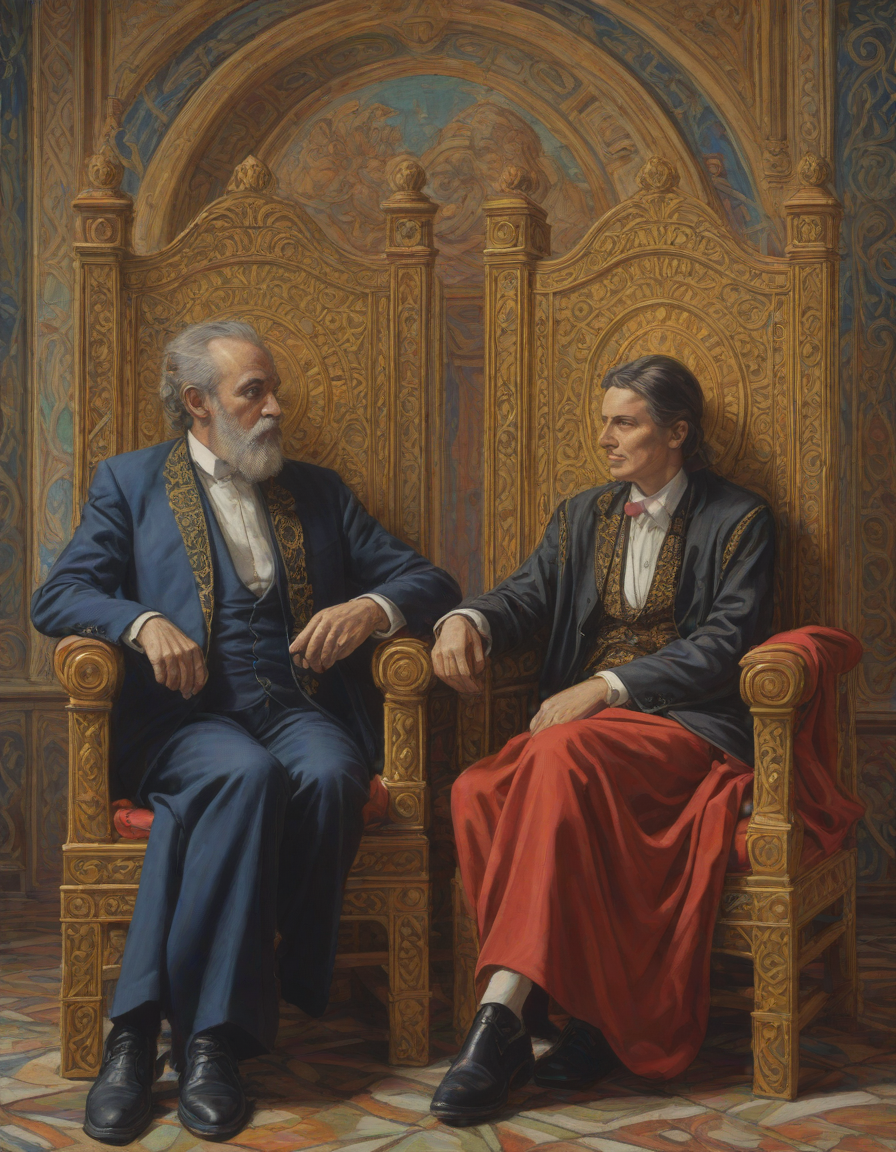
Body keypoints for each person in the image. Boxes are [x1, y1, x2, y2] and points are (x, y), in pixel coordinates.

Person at [31, 320, 461, 1144]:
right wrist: (143, 622)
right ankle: (207, 1039)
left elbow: (429, 578)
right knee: (243, 776)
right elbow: (59, 597)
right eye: (252, 393)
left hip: (296, 709)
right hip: (185, 719)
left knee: (331, 776)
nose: (274, 409)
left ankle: (184, 1009)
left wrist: (369, 608)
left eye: (274, 391)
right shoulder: (130, 483)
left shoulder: (320, 492)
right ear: (198, 403)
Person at [429, 355, 775, 1126]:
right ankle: (585, 1015)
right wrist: (467, 618)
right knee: (477, 790)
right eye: (604, 422)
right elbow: (525, 596)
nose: (605, 439)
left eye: (625, 423)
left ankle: (498, 1020)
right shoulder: (582, 515)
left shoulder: (742, 519)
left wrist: (607, 686)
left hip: (685, 730)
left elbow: (726, 644)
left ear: (676, 433)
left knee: (557, 754)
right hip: (590, 738)